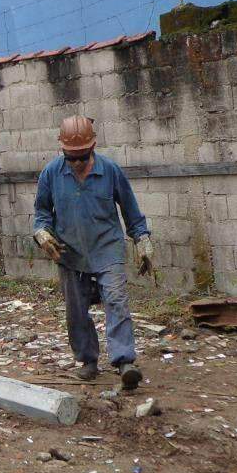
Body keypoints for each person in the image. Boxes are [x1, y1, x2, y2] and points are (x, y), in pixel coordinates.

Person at [33, 115, 153, 389]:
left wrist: (142, 240)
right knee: (76, 311)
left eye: (82, 157)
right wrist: (42, 234)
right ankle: (88, 360)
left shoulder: (110, 170)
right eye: (71, 158)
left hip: (107, 247)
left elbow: (131, 210)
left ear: (92, 149)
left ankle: (124, 362)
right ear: (63, 151)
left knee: (116, 301)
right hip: (70, 252)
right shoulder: (51, 173)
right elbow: (42, 212)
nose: (76, 163)